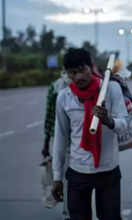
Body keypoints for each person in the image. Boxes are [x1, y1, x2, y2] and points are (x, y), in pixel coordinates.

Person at [51, 48, 128, 220]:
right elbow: (60, 138)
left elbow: (124, 126)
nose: (78, 77)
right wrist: (57, 177)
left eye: (82, 70)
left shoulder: (111, 89)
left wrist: (109, 120)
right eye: (73, 72)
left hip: (108, 171)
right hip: (77, 171)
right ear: (67, 74)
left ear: (91, 67)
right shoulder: (64, 97)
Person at [41, 71, 70, 219]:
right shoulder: (82, 84)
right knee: (69, 177)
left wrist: (46, 142)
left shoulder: (55, 86)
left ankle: (68, 211)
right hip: (72, 139)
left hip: (57, 137)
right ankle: (68, 210)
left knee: (63, 175)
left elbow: (49, 115)